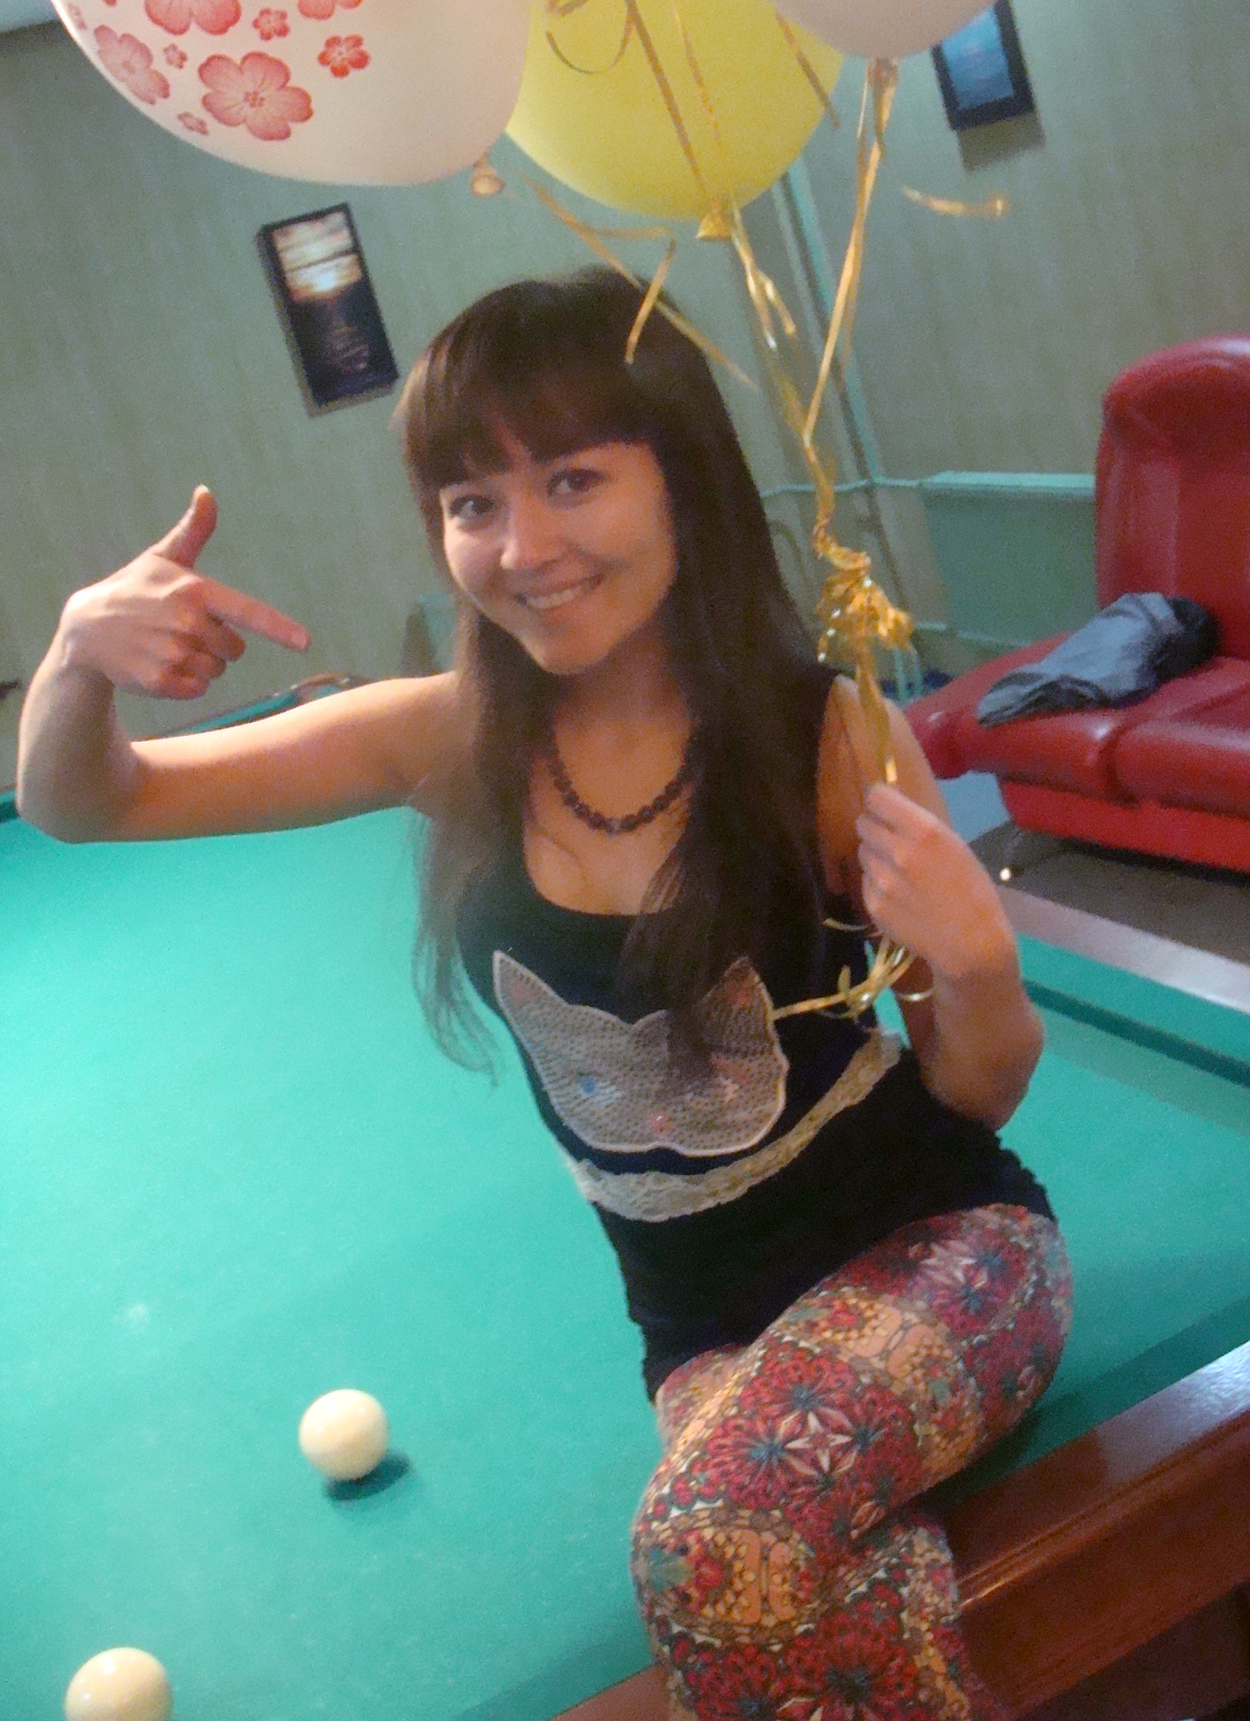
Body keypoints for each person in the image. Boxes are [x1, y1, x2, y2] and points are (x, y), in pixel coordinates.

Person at [17, 268, 1070, 1719]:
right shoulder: (444, 741)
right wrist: (76, 655)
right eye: (473, 503)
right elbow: (88, 804)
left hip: (946, 1255)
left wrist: (980, 962)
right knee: (768, 1586)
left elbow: (978, 1091)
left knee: (707, 1552)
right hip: (707, 1340)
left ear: (681, 482)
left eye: (574, 480)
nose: (523, 548)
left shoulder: (828, 736)